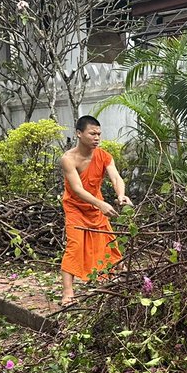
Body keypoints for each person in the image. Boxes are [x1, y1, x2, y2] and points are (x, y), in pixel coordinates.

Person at [59, 115, 131, 305]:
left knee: (109, 243)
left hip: (96, 206)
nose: (97, 137)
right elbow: (77, 189)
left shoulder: (104, 155)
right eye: (92, 133)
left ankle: (119, 281)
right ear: (79, 133)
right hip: (75, 208)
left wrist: (121, 195)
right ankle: (68, 293)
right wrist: (100, 204)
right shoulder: (68, 159)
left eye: (99, 134)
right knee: (74, 246)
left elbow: (116, 177)